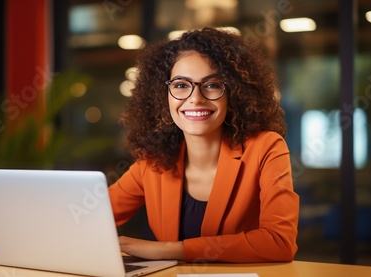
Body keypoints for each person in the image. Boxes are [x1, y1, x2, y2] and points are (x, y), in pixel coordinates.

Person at [108, 27, 299, 263]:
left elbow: (279, 243)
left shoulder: (266, 147)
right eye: (180, 85)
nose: (195, 98)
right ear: (162, 95)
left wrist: (169, 249)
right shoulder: (153, 162)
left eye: (212, 85)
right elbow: (89, 219)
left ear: (234, 94)